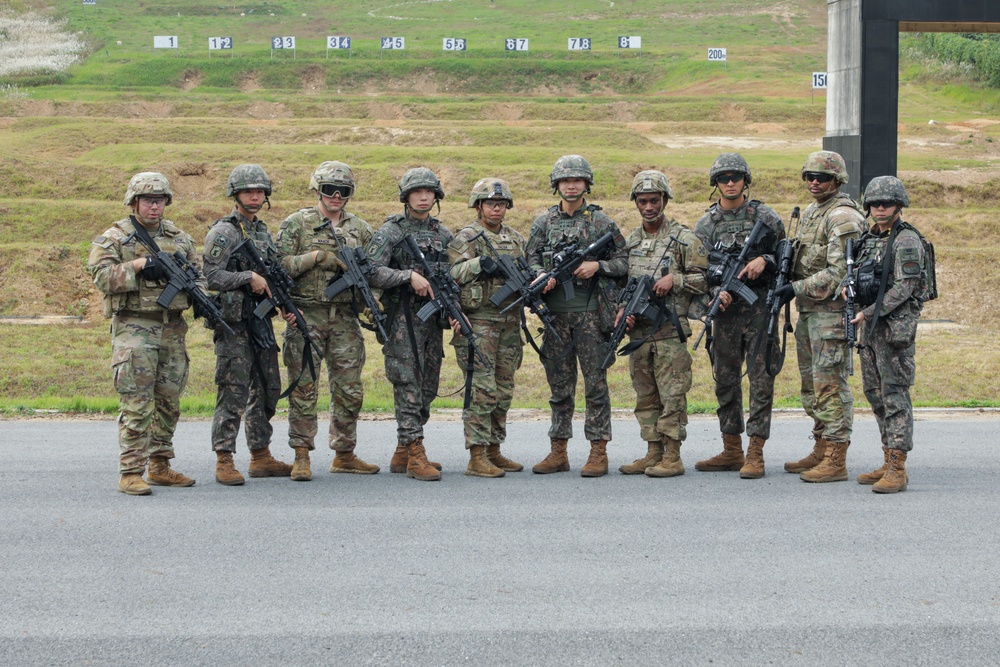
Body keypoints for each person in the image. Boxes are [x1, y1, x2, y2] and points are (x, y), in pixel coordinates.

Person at [87, 172, 198, 495]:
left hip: (172, 328)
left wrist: (200, 297)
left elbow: (198, 274)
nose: (154, 207)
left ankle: (160, 464)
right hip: (135, 328)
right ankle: (131, 471)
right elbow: (101, 276)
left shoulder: (179, 238)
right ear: (134, 202)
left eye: (160, 200)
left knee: (169, 399)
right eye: (148, 201)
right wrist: (138, 266)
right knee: (137, 401)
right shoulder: (115, 238)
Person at [275, 161, 379, 482]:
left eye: (343, 191)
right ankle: (302, 454)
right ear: (317, 190)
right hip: (307, 315)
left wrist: (371, 306)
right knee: (304, 387)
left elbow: (371, 273)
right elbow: (278, 267)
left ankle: (344, 453)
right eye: (329, 190)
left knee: (349, 389)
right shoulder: (298, 224)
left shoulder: (360, 229)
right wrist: (315, 258)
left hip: (345, 319)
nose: (335, 196)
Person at [525, 155, 628, 478]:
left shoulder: (601, 223)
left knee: (595, 385)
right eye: (565, 181)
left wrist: (598, 266)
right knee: (559, 386)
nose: (571, 186)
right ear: (556, 185)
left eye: (577, 180)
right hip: (555, 317)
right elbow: (530, 259)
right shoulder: (544, 223)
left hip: (591, 315)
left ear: (587, 184)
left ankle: (598, 450)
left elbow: (624, 262)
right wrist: (542, 275)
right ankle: (559, 450)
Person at [692, 153, 785, 478]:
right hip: (726, 314)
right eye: (723, 178)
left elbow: (786, 259)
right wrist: (713, 293)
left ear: (746, 180)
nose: (729, 183)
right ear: (715, 183)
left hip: (760, 312)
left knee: (761, 382)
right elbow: (696, 271)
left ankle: (755, 451)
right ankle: (731, 448)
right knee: (725, 381)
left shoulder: (766, 217)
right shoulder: (706, 224)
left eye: (735, 177)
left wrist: (766, 262)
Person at [776, 151, 866, 482]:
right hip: (810, 314)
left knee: (829, 386)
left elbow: (842, 271)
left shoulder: (842, 216)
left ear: (837, 180)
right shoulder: (814, 212)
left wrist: (795, 287)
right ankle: (821, 446)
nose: (815, 182)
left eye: (822, 177)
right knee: (811, 387)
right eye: (810, 176)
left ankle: (836, 458)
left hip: (831, 314)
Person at [203, 164, 294, 486]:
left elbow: (270, 275)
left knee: (268, 389)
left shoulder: (261, 231)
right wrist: (247, 277)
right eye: (248, 192)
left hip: (260, 322)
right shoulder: (224, 232)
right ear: (236, 195)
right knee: (233, 392)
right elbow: (210, 276)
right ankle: (224, 457)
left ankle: (260, 454)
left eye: (259, 192)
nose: (254, 197)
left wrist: (283, 304)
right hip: (234, 325)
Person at [617, 170, 708, 478]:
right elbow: (621, 284)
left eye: (654, 200)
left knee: (672, 394)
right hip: (640, 334)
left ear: (665, 200)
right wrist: (621, 311)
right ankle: (652, 450)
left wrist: (676, 279)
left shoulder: (683, 238)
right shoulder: (630, 241)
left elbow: (707, 278)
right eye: (642, 201)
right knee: (645, 395)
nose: (648, 207)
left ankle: (672, 454)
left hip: (669, 331)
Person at [366, 167, 450, 481]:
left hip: (432, 321)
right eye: (417, 192)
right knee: (407, 387)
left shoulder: (443, 234)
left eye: (429, 192)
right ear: (406, 196)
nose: (424, 196)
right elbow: (370, 270)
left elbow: (450, 274)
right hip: (402, 320)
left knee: (428, 387)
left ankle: (403, 450)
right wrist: (406, 276)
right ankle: (415, 454)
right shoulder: (390, 231)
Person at [849, 176, 928, 493]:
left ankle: (898, 466)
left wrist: (866, 312)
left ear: (899, 205)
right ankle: (886, 457)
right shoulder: (867, 240)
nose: (880, 208)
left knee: (894, 397)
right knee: (875, 394)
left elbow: (903, 289)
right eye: (875, 203)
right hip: (869, 330)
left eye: (887, 203)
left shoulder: (907, 241)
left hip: (894, 330)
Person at [448, 178, 527, 478]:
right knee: (481, 390)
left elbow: (527, 271)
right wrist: (481, 264)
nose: (497, 208)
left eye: (502, 203)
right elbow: (451, 274)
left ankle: (494, 449)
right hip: (478, 323)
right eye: (491, 203)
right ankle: (477, 455)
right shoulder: (467, 238)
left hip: (508, 322)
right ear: (478, 205)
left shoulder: (516, 239)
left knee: (504, 389)